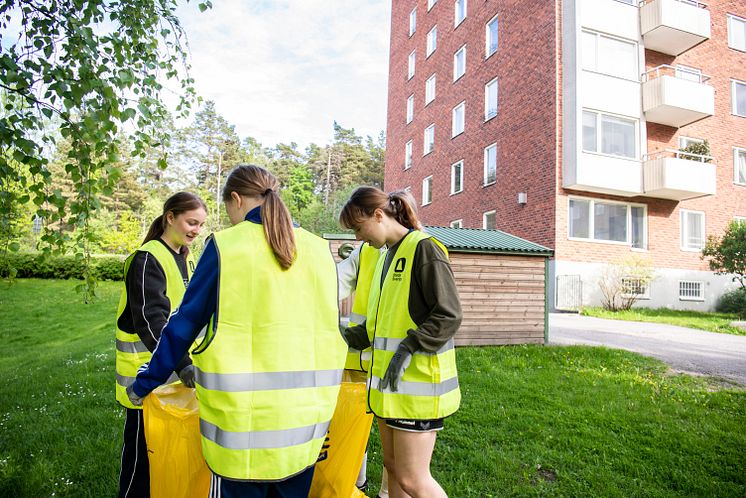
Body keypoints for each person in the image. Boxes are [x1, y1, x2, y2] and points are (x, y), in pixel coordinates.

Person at [127, 164, 347, 497]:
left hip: (243, 437)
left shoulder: (227, 247)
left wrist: (144, 383)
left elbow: (183, 325)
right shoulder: (320, 249)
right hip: (305, 429)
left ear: (235, 199)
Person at [339, 187, 462, 498]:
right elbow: (379, 326)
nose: (358, 237)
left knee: (412, 480)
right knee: (393, 469)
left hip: (417, 390)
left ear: (378, 215)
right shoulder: (384, 258)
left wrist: (409, 346)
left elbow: (448, 315)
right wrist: (339, 335)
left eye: (358, 228)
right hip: (391, 391)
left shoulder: (424, 249)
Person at [115, 192, 207, 498]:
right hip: (147, 378)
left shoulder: (185, 258)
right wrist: (181, 363)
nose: (196, 230)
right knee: (142, 461)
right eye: (191, 222)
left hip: (177, 376)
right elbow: (150, 321)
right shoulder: (146, 259)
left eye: (200, 225)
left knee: (168, 457)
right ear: (170, 217)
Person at [337, 242, 391, 497]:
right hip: (358, 358)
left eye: (360, 225)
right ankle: (357, 483)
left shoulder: (413, 250)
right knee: (355, 424)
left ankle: (387, 492)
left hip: (391, 363)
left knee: (393, 432)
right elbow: (335, 283)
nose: (358, 235)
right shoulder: (364, 249)